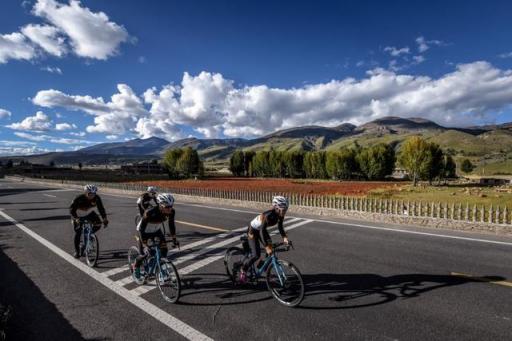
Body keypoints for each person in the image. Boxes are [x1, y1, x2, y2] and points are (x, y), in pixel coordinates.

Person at [239, 196, 289, 283]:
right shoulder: (268, 215)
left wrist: (284, 237)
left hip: (262, 230)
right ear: (277, 208)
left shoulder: (280, 214)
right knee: (256, 255)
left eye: (286, 210)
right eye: (283, 209)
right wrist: (266, 246)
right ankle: (243, 269)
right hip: (253, 231)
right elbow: (261, 231)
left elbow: (280, 226)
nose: (285, 212)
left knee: (271, 251)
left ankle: (261, 266)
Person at [132, 193, 179, 279]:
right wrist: (145, 245)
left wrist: (174, 239)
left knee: (164, 251)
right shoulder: (149, 212)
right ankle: (136, 266)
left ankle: (159, 269)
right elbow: (142, 229)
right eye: (167, 207)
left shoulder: (171, 212)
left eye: (171, 206)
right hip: (143, 232)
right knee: (144, 254)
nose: (170, 209)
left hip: (156, 231)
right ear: (160, 205)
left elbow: (171, 225)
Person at [69, 184, 109, 258]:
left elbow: (101, 209)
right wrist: (75, 218)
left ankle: (89, 235)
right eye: (90, 194)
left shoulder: (97, 198)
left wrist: (105, 218)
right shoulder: (78, 198)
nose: (92, 196)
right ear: (85, 192)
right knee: (78, 232)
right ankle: (77, 251)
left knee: (99, 225)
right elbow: (71, 210)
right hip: (78, 215)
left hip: (89, 214)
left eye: (94, 193)